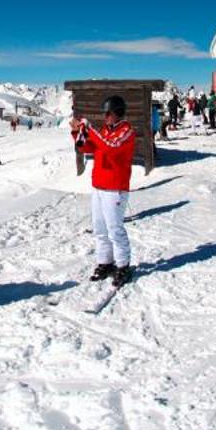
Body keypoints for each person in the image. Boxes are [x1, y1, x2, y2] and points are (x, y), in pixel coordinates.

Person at [71, 94, 137, 287]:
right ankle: (105, 262)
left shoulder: (127, 131)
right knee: (100, 229)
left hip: (115, 188)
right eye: (104, 114)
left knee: (114, 229)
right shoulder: (105, 131)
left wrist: (91, 129)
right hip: (99, 186)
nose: (105, 117)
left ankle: (123, 265)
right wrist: (77, 133)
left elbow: (111, 148)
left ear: (117, 113)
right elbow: (87, 148)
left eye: (108, 113)